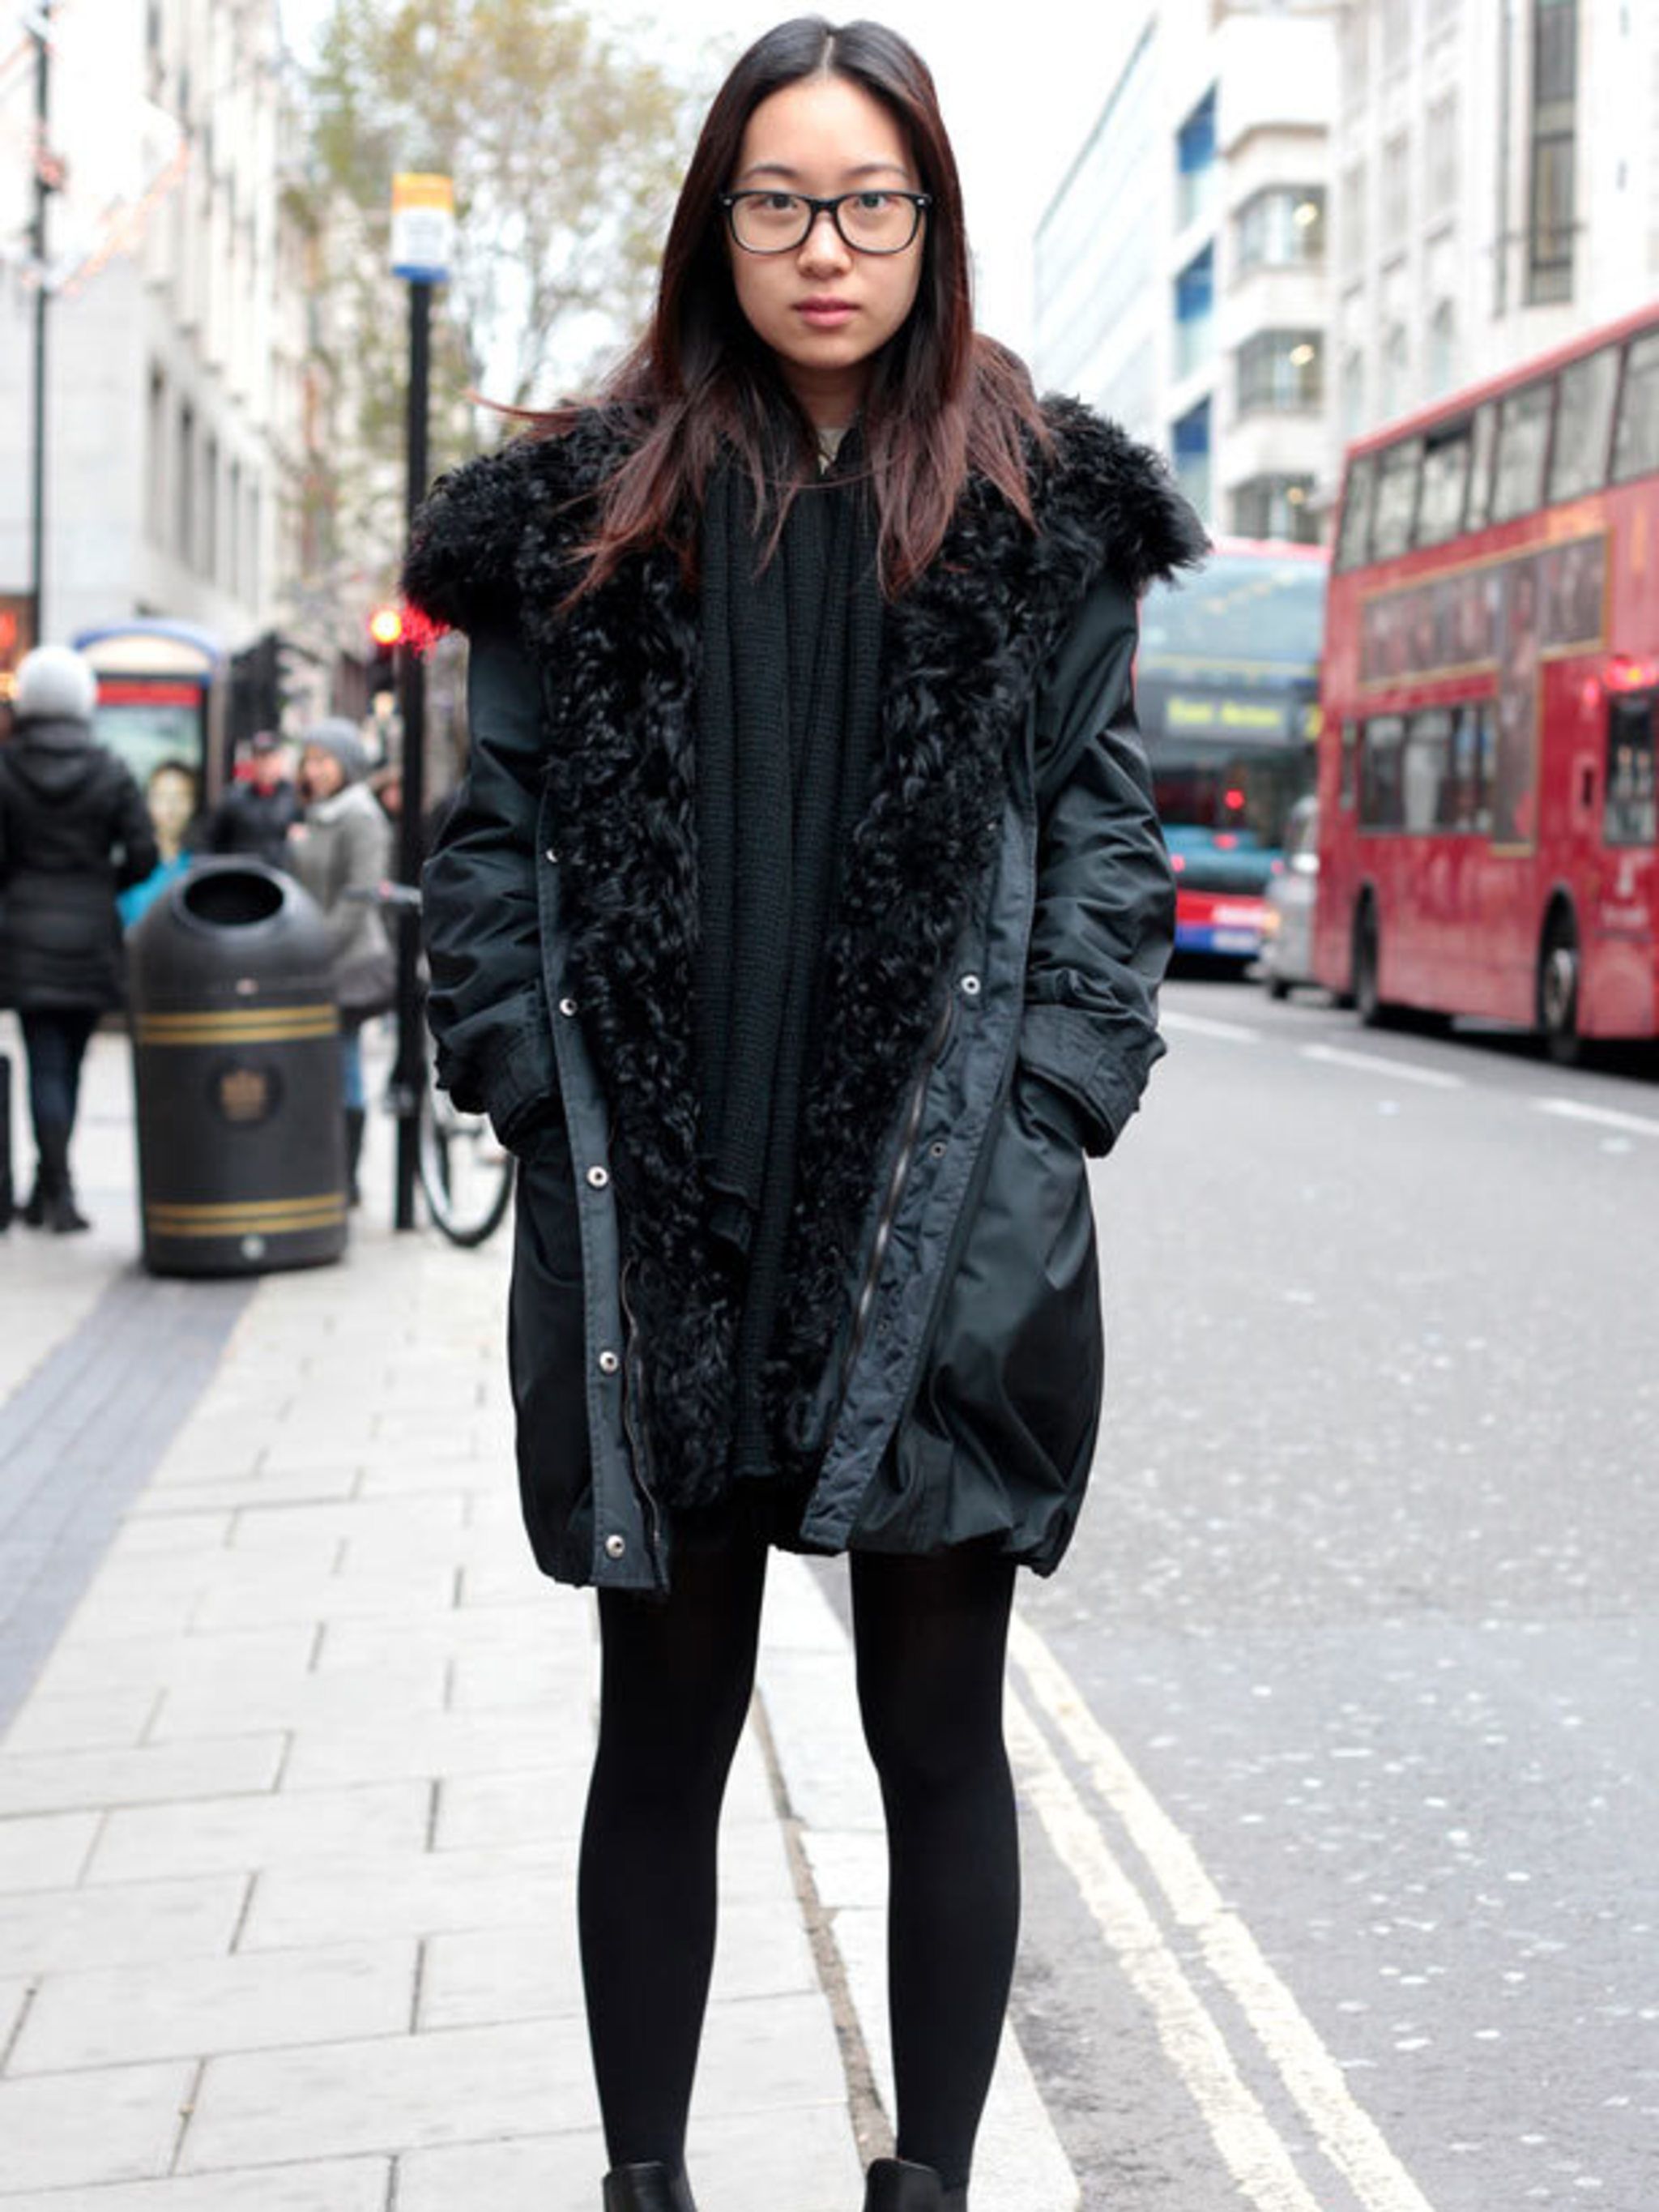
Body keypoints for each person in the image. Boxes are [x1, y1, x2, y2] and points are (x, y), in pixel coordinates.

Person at [402, 19, 1204, 2212]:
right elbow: (494, 841)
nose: (824, 248)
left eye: (868, 203)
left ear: (930, 219)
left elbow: (1105, 855)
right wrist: (516, 1070)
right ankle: (645, 2179)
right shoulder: (590, 506)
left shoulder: (1042, 510)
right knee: (657, 1737)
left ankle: (927, 2184)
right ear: (716, 221)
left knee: (940, 1736)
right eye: (780, 202)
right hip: (666, 1221)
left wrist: (1046, 1112)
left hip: (939, 1221)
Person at [0, 643, 158, 1232]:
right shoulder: (110, 769)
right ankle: (57, 1189)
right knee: (72, 1063)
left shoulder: (6, 767)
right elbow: (144, 853)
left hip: (27, 930)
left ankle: (54, 1186)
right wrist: (103, 881)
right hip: (92, 928)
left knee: (43, 1061)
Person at [286, 717, 394, 1205]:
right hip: (312, 957)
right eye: (309, 760)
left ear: (346, 765)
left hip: (345, 962)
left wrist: (314, 946)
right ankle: (321, 1161)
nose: (315, 770)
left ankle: (346, 1173)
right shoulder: (316, 813)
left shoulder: (359, 816)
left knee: (344, 1059)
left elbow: (359, 897)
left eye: (324, 760)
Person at [195, 731, 301, 869]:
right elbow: (211, 840)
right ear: (253, 762)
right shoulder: (234, 797)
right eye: (260, 758)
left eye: (271, 757)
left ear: (280, 760)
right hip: (243, 875)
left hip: (281, 876)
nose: (266, 764)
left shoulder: (296, 797)